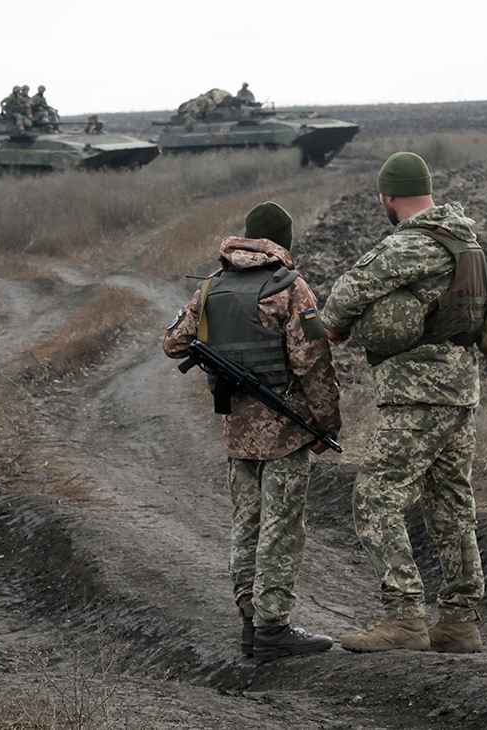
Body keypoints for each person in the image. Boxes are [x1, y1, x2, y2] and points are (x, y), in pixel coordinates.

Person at [319, 152, 487, 654]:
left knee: (374, 498)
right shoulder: (466, 239)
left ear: (389, 197)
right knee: (451, 504)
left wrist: (336, 326)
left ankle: (405, 616)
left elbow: (346, 295)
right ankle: (459, 622)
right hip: (459, 390)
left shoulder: (412, 243)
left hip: (419, 393)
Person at [163, 202, 342, 662]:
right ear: (284, 240)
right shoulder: (288, 287)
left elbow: (172, 343)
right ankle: (273, 628)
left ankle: (251, 623)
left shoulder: (212, 287)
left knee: (247, 525)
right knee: (281, 528)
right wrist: (326, 422)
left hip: (237, 431)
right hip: (286, 431)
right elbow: (313, 362)